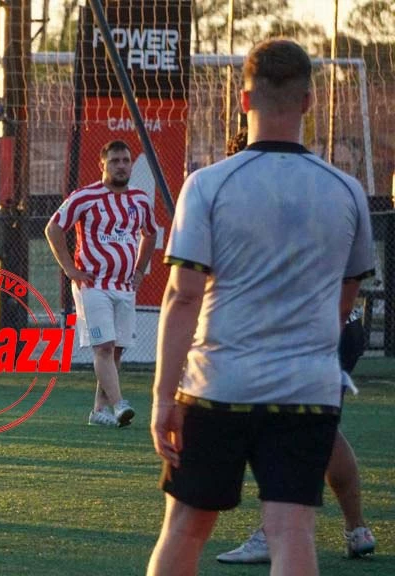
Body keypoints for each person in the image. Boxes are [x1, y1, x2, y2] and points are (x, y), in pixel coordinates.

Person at [148, 39, 375, 576]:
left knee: (186, 527)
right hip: (307, 390)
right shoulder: (346, 192)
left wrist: (162, 397)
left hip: (217, 386)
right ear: (309, 102)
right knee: (291, 531)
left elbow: (183, 295)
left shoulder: (207, 186)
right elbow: (346, 294)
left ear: (243, 98)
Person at [214, 127, 377, 564]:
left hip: (311, 331)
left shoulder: (263, 202)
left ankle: (274, 533)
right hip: (339, 325)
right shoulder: (319, 189)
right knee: (321, 431)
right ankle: (357, 528)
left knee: (284, 430)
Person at [45, 139, 156, 428]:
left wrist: (140, 270)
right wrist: (70, 269)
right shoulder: (85, 196)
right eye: (115, 161)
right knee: (104, 347)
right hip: (93, 285)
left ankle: (99, 410)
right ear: (102, 164)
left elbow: (151, 233)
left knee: (116, 350)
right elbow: (53, 228)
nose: (121, 166)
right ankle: (119, 405)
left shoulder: (140, 200)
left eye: (126, 161)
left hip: (125, 287)